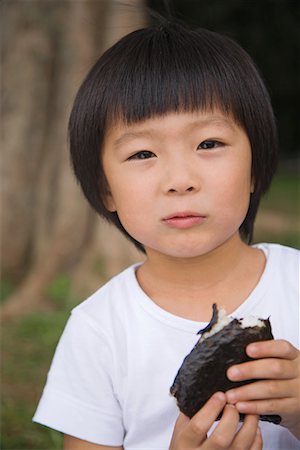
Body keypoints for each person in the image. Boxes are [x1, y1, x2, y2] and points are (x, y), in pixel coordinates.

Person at [33, 19, 300, 450]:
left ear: (255, 166)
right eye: (142, 153)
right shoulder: (98, 331)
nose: (179, 179)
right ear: (106, 189)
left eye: (209, 144)